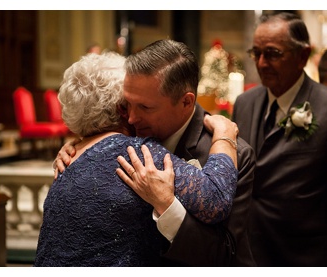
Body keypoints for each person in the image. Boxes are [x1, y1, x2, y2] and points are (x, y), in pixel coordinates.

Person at [55, 39, 257, 266]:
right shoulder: (128, 133)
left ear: (186, 102)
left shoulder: (232, 152)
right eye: (127, 104)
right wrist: (82, 143)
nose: (131, 118)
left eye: (145, 107)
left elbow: (225, 254)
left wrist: (168, 207)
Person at [233, 12, 327, 266]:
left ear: (302, 56)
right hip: (248, 254)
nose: (261, 63)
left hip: (305, 257)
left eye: (272, 53)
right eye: (256, 53)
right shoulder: (244, 103)